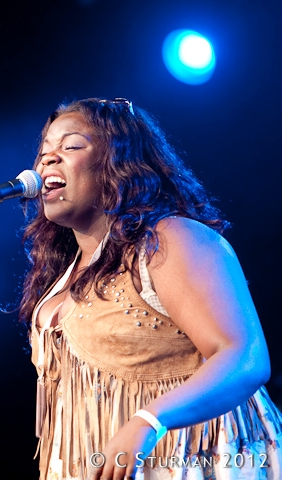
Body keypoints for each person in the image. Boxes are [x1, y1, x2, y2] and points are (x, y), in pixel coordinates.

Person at [17, 97, 282, 480]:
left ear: (120, 162)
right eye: (43, 152)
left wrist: (148, 420)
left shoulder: (169, 241)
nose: (47, 160)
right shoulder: (66, 272)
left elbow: (244, 358)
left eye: (71, 146)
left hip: (193, 459)